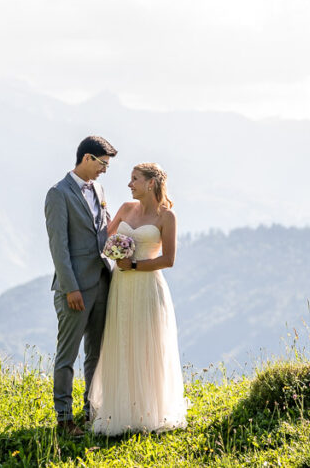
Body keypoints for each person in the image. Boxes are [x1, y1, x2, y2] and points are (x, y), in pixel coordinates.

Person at [89, 162, 188, 435]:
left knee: (146, 346)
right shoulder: (125, 208)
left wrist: (133, 266)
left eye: (135, 179)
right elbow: (105, 240)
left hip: (147, 286)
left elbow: (168, 260)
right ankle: (120, 410)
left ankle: (147, 412)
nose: (130, 184)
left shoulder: (167, 217)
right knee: (121, 342)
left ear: (150, 184)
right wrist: (114, 251)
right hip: (120, 287)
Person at [44, 135, 118, 437]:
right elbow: (58, 247)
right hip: (74, 287)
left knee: (96, 352)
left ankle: (91, 411)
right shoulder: (57, 194)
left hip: (102, 281)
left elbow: (105, 227)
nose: (104, 170)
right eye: (102, 164)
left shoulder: (99, 190)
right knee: (67, 355)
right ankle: (63, 418)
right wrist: (70, 287)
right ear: (87, 158)